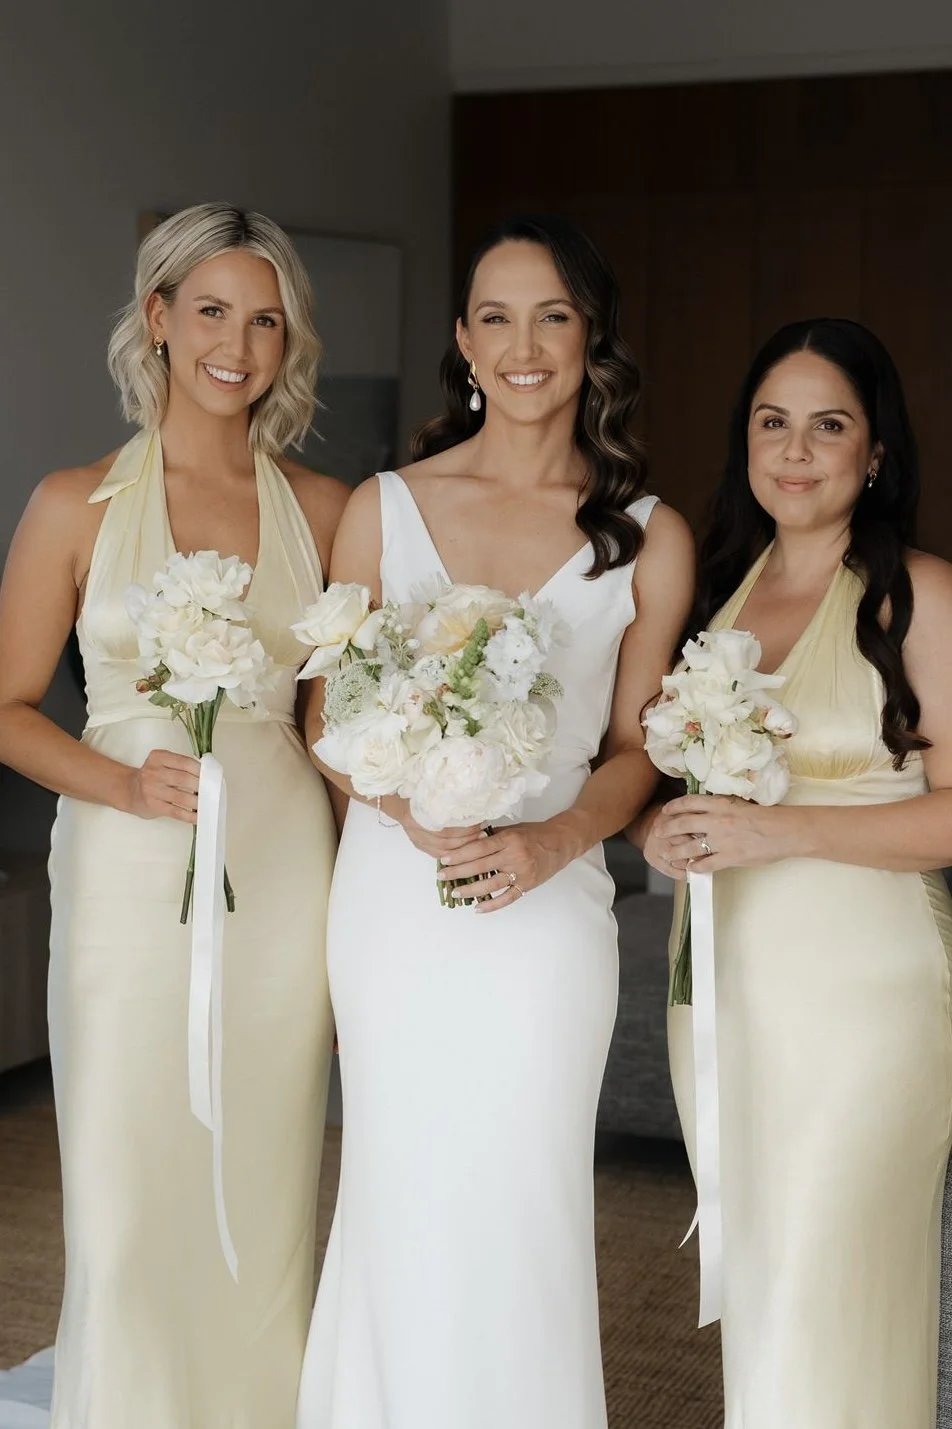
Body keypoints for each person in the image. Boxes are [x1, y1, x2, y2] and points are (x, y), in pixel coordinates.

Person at [295, 214, 694, 1429]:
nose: (525, 346)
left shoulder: (648, 533)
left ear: (591, 340)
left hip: (546, 910)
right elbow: (323, 716)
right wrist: (409, 813)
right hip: (393, 902)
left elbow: (639, 751)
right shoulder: (384, 506)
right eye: (498, 316)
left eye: (554, 316)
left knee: (520, 1196)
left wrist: (554, 839)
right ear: (463, 340)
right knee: (397, 1184)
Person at [0, 203, 348, 1429]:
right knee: (130, 1179)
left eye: (265, 320)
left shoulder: (325, 507)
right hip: (124, 880)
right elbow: (6, 710)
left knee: (261, 1173)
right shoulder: (71, 504)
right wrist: (122, 783)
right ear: (157, 319)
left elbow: (330, 729)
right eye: (211, 311)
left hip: (284, 878)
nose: (237, 346)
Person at [636, 318, 952, 1428]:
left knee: (830, 1273)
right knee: (766, 1277)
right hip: (724, 990)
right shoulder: (716, 585)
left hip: (864, 996)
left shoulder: (919, 595)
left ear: (874, 453)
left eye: (829, 426)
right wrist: (656, 835)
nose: (796, 450)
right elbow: (663, 782)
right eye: (774, 422)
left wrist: (789, 834)